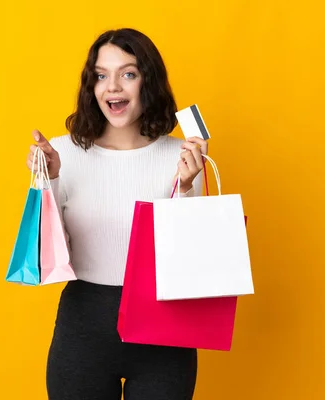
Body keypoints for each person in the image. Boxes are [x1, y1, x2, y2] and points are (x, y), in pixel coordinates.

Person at [26, 28, 208, 400]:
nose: (113, 87)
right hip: (84, 330)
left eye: (128, 73)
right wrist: (51, 178)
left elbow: (193, 258)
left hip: (165, 330)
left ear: (148, 81)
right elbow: (46, 257)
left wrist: (186, 187)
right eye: (101, 74)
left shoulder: (184, 156)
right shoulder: (62, 153)